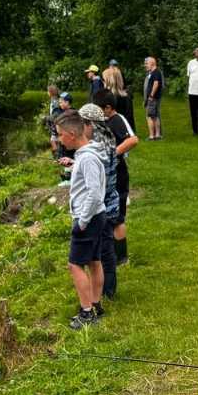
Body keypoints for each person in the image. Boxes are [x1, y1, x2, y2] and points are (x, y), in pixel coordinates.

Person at [55, 110, 106, 330]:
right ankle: (96, 304)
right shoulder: (84, 156)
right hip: (96, 217)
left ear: (72, 134)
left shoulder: (87, 159)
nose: (58, 138)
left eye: (60, 134)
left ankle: (87, 313)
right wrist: (73, 167)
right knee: (94, 261)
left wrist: (82, 221)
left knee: (74, 265)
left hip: (89, 218)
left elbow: (94, 193)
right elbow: (87, 179)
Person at [78, 102, 120, 302]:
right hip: (110, 200)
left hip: (102, 205)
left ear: (90, 124)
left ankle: (107, 292)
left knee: (104, 251)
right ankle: (105, 289)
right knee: (105, 248)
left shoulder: (97, 147)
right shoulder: (108, 138)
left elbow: (95, 183)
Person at [93, 88, 138, 265]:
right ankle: (111, 252)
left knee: (118, 217)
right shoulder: (105, 121)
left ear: (108, 107)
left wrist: (113, 154)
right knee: (108, 215)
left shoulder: (118, 120)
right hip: (108, 176)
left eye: (99, 109)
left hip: (118, 175)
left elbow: (133, 140)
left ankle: (122, 257)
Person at [143, 56, 164, 140]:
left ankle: (152, 136)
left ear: (152, 63)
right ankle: (157, 135)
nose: (145, 65)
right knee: (155, 116)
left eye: (146, 63)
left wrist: (151, 96)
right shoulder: (152, 72)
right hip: (153, 98)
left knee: (150, 117)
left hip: (153, 98)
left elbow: (156, 84)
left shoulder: (156, 72)